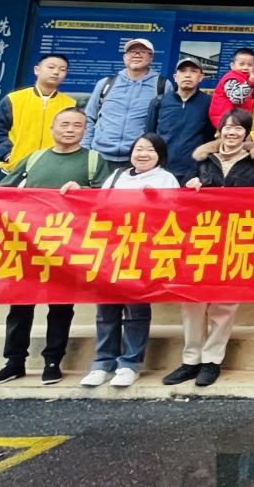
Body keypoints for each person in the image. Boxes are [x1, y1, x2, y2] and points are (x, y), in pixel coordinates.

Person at [0, 107, 107, 387]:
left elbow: (107, 198)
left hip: (68, 247)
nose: (70, 129)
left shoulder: (93, 160)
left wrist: (84, 192)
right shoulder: (34, 158)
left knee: (61, 307)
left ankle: (53, 362)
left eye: (77, 125)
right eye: (64, 124)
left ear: (85, 130)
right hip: (28, 245)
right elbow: (3, 191)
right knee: (19, 306)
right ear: (52, 128)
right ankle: (14, 362)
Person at [162, 109, 254, 389]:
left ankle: (212, 360)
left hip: (236, 240)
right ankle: (190, 360)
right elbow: (181, 199)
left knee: (224, 304)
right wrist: (190, 186)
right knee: (192, 301)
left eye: (238, 128)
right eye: (228, 127)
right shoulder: (201, 159)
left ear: (246, 133)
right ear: (220, 130)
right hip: (200, 238)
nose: (232, 132)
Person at [77, 133, 180, 388]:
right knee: (106, 310)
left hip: (142, 252)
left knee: (135, 310)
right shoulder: (116, 176)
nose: (143, 154)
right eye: (138, 149)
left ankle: (129, 363)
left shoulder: (166, 179)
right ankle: (103, 363)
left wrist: (156, 200)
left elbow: (175, 216)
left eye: (150, 150)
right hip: (111, 249)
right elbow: (98, 206)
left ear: (160, 155)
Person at [84, 37, 173, 172]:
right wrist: (85, 148)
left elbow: (166, 125)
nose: (136, 55)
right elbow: (89, 118)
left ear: (151, 58)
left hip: (139, 159)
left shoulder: (162, 85)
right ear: (124, 57)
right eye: (132, 51)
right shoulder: (106, 84)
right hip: (99, 156)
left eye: (142, 51)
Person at [0, 53, 75, 175]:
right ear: (37, 70)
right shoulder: (14, 99)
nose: (56, 72)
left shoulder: (70, 104)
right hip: (14, 171)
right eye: (51, 67)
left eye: (62, 69)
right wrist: (9, 155)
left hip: (53, 172)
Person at [146, 58, 215, 183]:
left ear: (200, 77)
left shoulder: (209, 103)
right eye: (183, 71)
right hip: (161, 170)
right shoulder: (159, 102)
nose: (188, 75)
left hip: (193, 172)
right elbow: (149, 136)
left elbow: (210, 139)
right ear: (175, 77)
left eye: (193, 71)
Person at [209, 47, 254, 125]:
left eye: (249, 65)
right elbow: (236, 98)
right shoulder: (230, 78)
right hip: (226, 122)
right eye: (241, 64)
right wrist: (249, 83)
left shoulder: (252, 80)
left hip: (240, 121)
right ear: (232, 65)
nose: (245, 67)